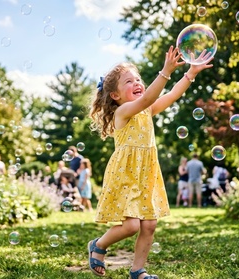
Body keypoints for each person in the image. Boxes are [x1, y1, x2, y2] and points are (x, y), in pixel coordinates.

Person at [86, 46, 213, 278]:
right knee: (132, 225)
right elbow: (147, 98)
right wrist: (165, 71)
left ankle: (138, 271)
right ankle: (99, 245)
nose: (136, 83)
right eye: (128, 82)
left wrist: (191, 74)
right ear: (115, 95)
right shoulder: (124, 111)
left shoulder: (147, 110)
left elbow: (172, 95)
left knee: (149, 225)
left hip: (146, 173)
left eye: (138, 79)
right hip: (126, 174)